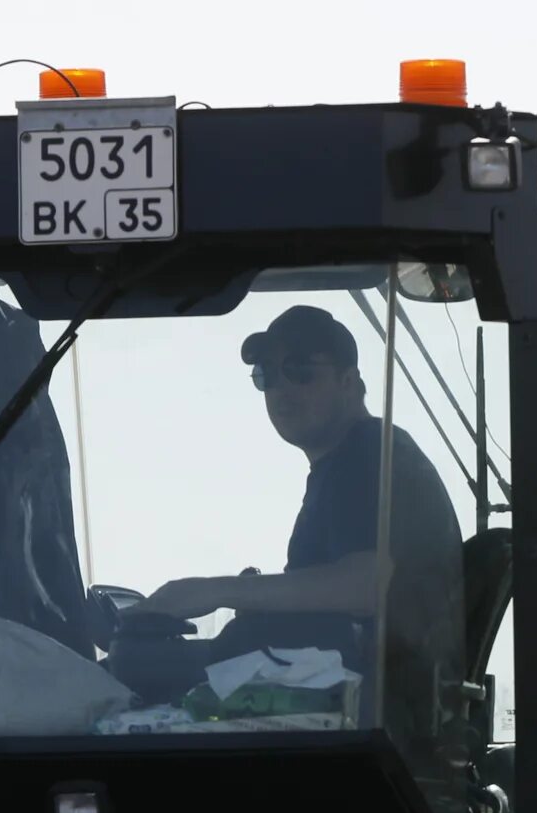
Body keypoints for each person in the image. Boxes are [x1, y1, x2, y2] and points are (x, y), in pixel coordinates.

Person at [141, 305, 466, 746]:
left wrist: (213, 590)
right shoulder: (346, 463)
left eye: (299, 370)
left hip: (369, 721)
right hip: (332, 703)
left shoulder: (369, 455)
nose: (280, 388)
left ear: (349, 381)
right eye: (266, 376)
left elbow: (364, 588)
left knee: (131, 676)